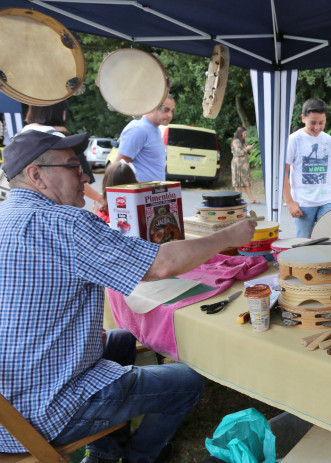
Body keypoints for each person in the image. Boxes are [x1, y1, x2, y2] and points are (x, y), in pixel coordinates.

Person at [0, 130, 257, 463]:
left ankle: (104, 455)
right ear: (37, 175)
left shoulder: (6, 217)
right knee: (187, 382)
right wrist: (231, 234)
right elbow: (162, 265)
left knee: (120, 339)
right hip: (44, 414)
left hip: (8, 408)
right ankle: (139, 458)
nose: (87, 177)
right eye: (74, 167)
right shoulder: (65, 224)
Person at [23, 101, 104, 208]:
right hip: (53, 205)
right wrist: (100, 198)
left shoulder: (21, 135)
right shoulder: (54, 137)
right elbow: (73, 179)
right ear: (58, 111)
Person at [283, 98, 331, 238]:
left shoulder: (329, 140)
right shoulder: (293, 140)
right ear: (303, 118)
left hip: (327, 201)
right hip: (303, 203)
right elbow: (283, 173)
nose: (317, 127)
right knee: (304, 242)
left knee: (327, 239)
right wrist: (290, 202)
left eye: (321, 123)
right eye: (313, 122)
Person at [114, 94, 175, 183]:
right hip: (140, 194)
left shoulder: (154, 128)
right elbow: (118, 167)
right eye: (166, 110)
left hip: (152, 194)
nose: (170, 115)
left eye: (172, 111)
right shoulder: (139, 129)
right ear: (152, 107)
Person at [231, 126, 259, 204]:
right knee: (238, 183)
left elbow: (244, 151)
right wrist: (247, 149)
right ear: (240, 133)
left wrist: (249, 148)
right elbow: (238, 153)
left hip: (244, 165)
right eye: (244, 133)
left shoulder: (242, 141)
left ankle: (251, 199)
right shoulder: (236, 141)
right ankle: (238, 199)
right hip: (238, 165)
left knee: (246, 182)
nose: (245, 135)